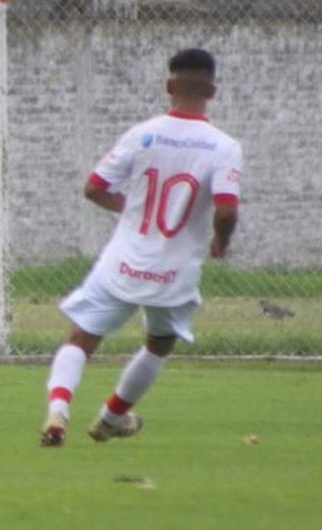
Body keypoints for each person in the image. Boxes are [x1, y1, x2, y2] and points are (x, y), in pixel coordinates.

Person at [39, 48, 241, 447]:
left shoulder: (142, 134)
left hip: (123, 263)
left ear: (169, 86)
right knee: (158, 345)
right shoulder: (223, 146)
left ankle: (57, 413)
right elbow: (227, 209)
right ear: (213, 92)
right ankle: (111, 418)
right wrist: (221, 241)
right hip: (174, 272)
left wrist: (128, 211)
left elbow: (94, 187)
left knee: (80, 339)